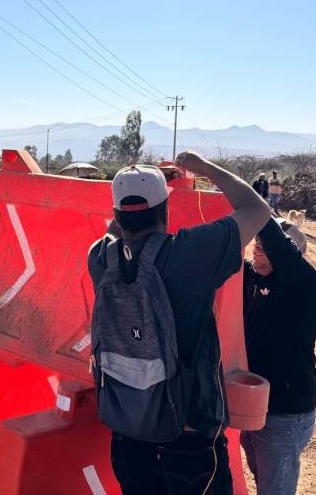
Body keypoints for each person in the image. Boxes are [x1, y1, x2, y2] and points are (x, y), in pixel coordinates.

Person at [87, 152, 270, 495]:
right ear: (165, 211)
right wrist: (201, 167)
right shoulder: (188, 253)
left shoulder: (99, 258)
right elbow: (257, 208)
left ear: (117, 213)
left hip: (128, 432)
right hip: (188, 434)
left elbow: (115, 232)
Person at [240, 218, 316, 494]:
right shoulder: (253, 278)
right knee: (262, 475)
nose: (259, 249)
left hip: (284, 414)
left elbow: (276, 242)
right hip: (256, 406)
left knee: (275, 488)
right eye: (258, 244)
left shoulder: (304, 285)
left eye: (268, 247)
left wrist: (257, 212)